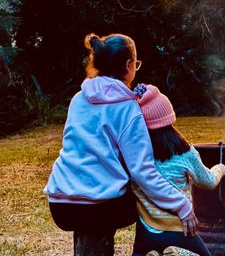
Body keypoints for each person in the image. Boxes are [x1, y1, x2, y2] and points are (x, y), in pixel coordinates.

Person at [43, 33, 200, 255]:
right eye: (136, 63)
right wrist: (182, 205)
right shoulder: (128, 109)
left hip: (60, 205)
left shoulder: (79, 98)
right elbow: (142, 171)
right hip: (99, 208)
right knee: (141, 195)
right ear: (128, 65)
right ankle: (154, 248)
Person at [132, 84, 225, 256]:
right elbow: (208, 182)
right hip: (180, 230)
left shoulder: (135, 157)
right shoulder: (185, 153)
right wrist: (220, 169)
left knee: (141, 252)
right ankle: (179, 254)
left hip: (146, 232)